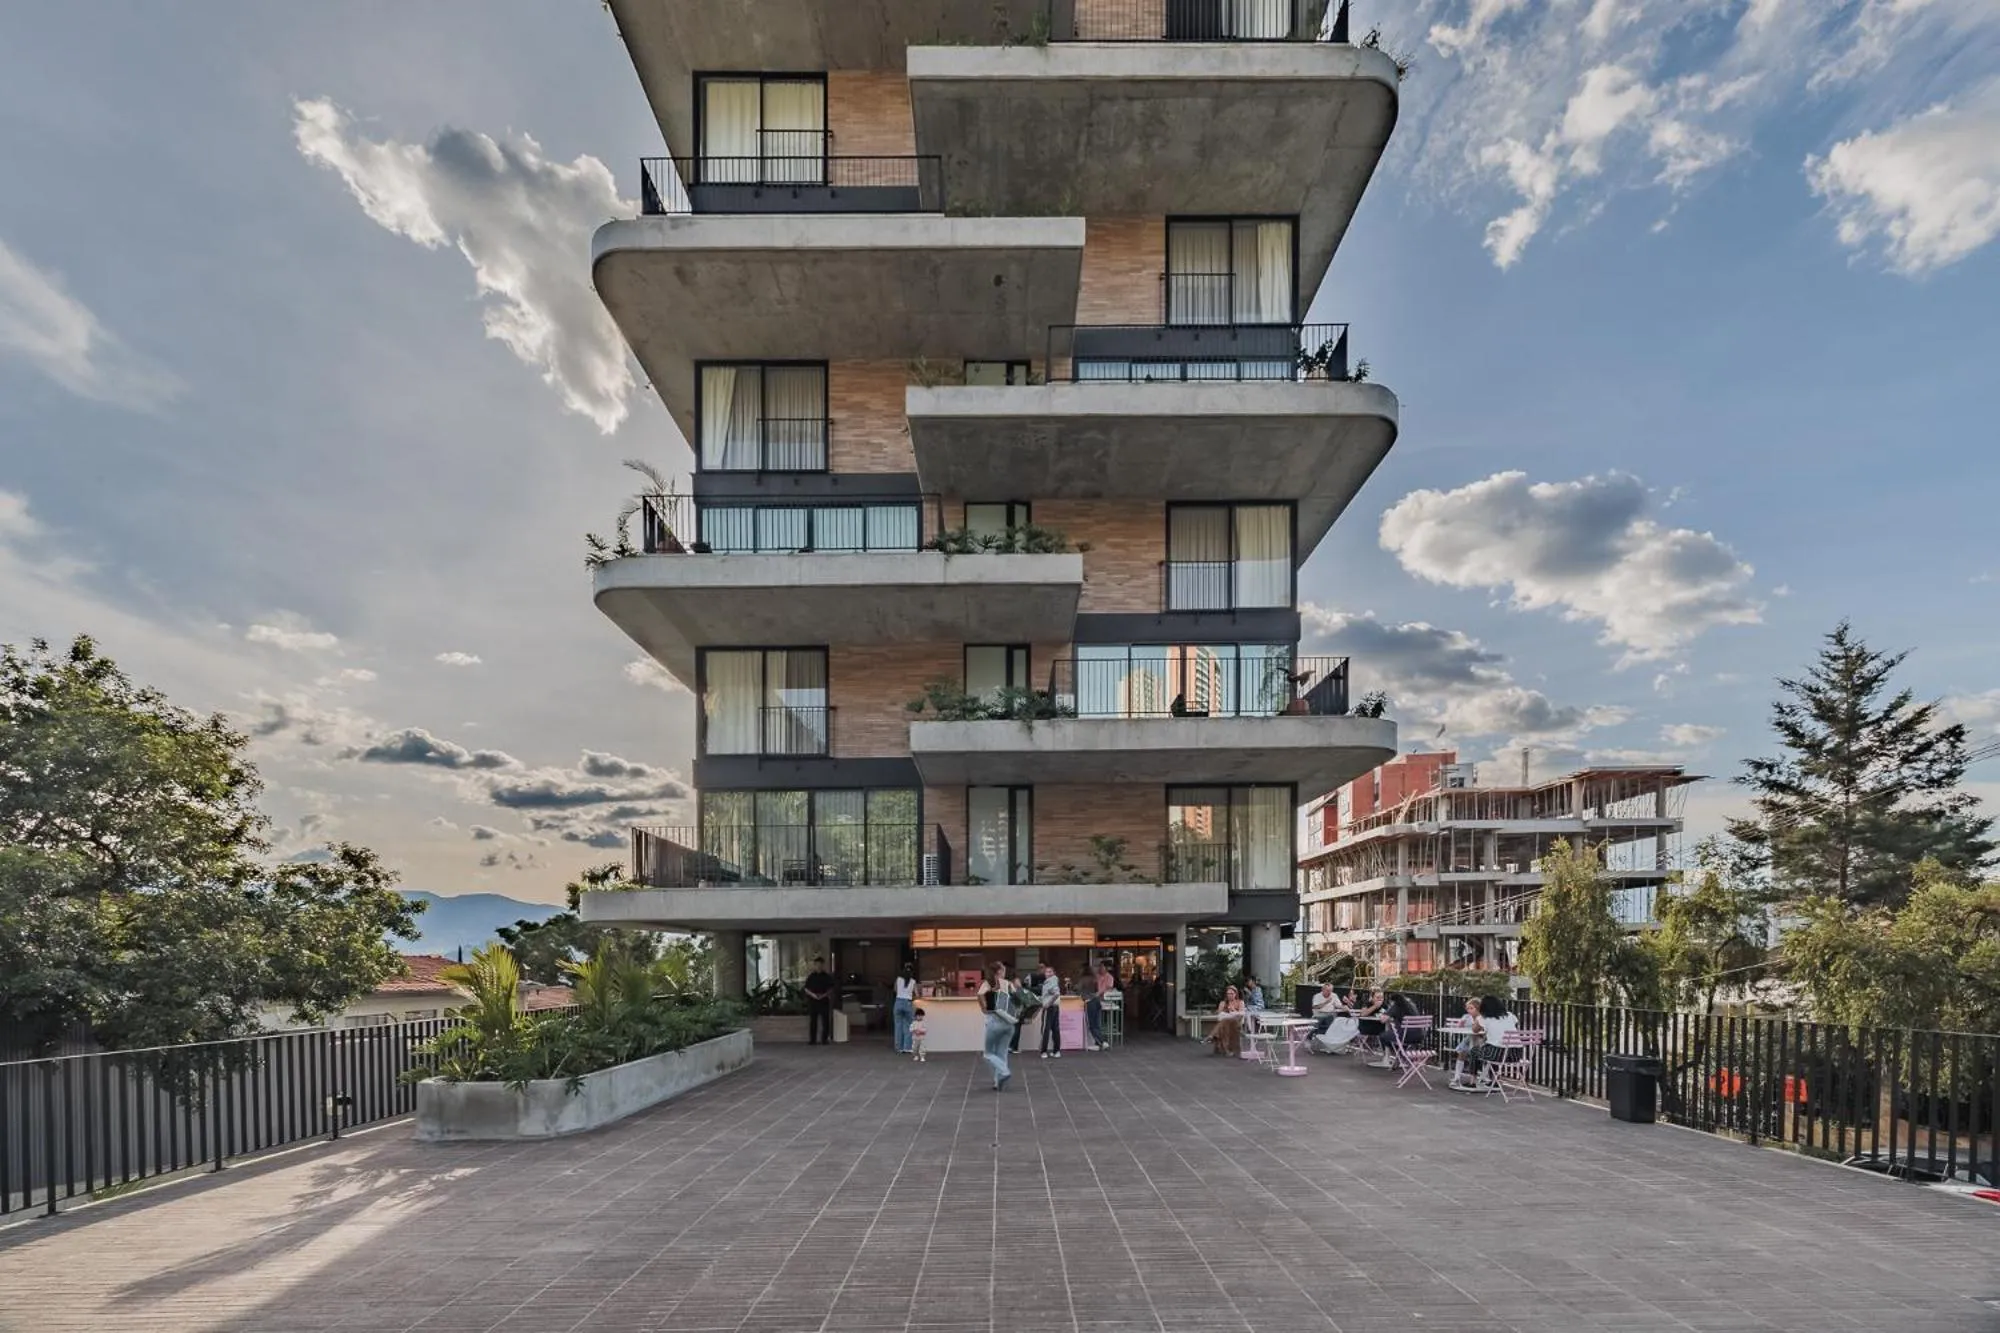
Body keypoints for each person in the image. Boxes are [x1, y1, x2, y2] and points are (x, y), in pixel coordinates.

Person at [979, 962, 1017, 1091]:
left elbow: (980, 995)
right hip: (1009, 1024)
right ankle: (998, 1081)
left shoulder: (987, 984)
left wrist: (984, 1008)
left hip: (994, 1022)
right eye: (1004, 970)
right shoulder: (1009, 984)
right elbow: (1016, 1000)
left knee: (988, 1053)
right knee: (1002, 1053)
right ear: (999, 971)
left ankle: (1004, 1071)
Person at [1447, 997, 1487, 1089]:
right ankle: (1457, 1077)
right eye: (1468, 1008)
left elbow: (1483, 1031)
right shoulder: (1466, 1017)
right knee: (1462, 1053)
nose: (1469, 1010)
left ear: (1478, 1008)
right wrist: (1460, 1024)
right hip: (1469, 1039)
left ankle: (1482, 1077)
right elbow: (1459, 1027)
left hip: (1480, 1040)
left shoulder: (1482, 1018)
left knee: (1475, 1052)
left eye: (1471, 1008)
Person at [802, 956, 835, 1046]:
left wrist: (823, 995)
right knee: (813, 1021)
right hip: (813, 1001)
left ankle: (824, 1039)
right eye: (817, 964)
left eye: (820, 964)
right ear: (814, 965)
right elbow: (806, 989)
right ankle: (812, 1040)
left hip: (824, 1000)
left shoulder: (827, 977)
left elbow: (831, 989)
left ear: (823, 965)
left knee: (825, 1021)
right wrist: (814, 995)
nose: (819, 966)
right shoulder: (811, 977)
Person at [1210, 985, 1247, 1057]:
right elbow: (1219, 1015)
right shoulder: (1223, 1003)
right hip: (1225, 1023)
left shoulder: (1240, 1002)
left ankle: (1212, 1035)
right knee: (1225, 1022)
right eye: (1228, 994)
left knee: (1225, 1022)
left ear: (1236, 994)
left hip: (1236, 1023)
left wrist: (1233, 1010)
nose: (1229, 995)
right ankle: (1227, 1050)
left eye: (1231, 993)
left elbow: (1241, 1014)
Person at [1038, 963, 1064, 1059]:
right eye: (1046, 972)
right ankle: (1056, 1051)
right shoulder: (1054, 980)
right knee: (1055, 1029)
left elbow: (1056, 994)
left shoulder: (1049, 981)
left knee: (1046, 1029)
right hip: (1055, 1007)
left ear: (1053, 973)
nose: (1048, 973)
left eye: (1050, 972)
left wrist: (1048, 1003)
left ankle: (1043, 1051)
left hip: (1049, 1008)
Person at [892, 964, 918, 1055]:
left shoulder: (898, 979)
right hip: (908, 1003)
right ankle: (907, 1047)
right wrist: (911, 996)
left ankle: (898, 1048)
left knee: (898, 1026)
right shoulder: (913, 981)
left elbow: (895, 990)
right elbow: (917, 994)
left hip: (898, 1002)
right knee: (908, 1026)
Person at [1079, 963, 1103, 1052]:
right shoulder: (1094, 978)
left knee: (1092, 1024)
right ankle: (1100, 1041)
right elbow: (1097, 990)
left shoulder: (1083, 979)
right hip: (1096, 1001)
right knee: (1097, 1024)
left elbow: (1078, 988)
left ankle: (1101, 1042)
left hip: (1089, 1001)